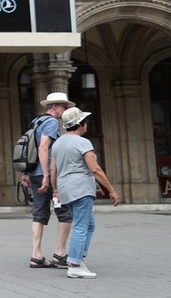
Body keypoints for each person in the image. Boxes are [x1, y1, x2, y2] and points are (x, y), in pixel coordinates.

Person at [51, 107, 120, 278]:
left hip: (66, 188)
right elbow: (95, 169)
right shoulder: (83, 142)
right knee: (82, 226)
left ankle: (78, 257)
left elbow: (53, 169)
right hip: (81, 188)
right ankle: (74, 264)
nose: (87, 124)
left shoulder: (58, 143)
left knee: (89, 224)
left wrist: (55, 190)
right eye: (85, 121)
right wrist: (111, 190)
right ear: (80, 124)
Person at [21, 92, 74, 269]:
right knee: (65, 211)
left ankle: (36, 255)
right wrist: (46, 175)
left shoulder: (36, 121)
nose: (65, 111)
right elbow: (43, 148)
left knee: (38, 212)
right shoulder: (51, 122)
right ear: (55, 106)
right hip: (48, 174)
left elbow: (29, 148)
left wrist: (27, 173)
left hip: (34, 173)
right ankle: (60, 254)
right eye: (64, 107)